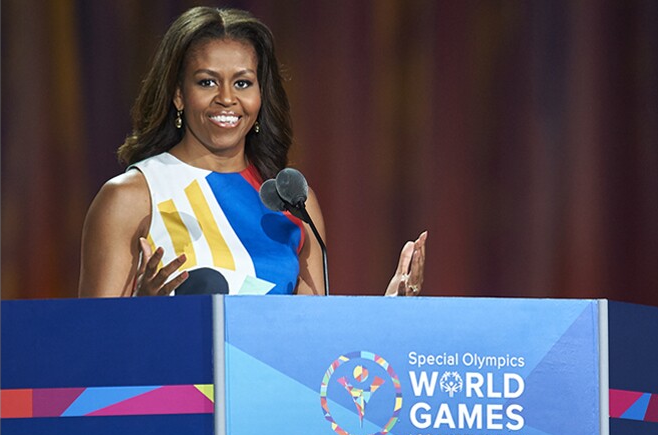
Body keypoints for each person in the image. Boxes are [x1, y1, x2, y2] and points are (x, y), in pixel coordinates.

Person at [78, 6, 426, 298]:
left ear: (261, 95)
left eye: (242, 83)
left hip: (268, 383)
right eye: (207, 82)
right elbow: (91, 350)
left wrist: (389, 311)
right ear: (178, 95)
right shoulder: (133, 196)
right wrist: (141, 315)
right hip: (177, 381)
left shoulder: (293, 204)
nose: (227, 98)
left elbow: (316, 344)